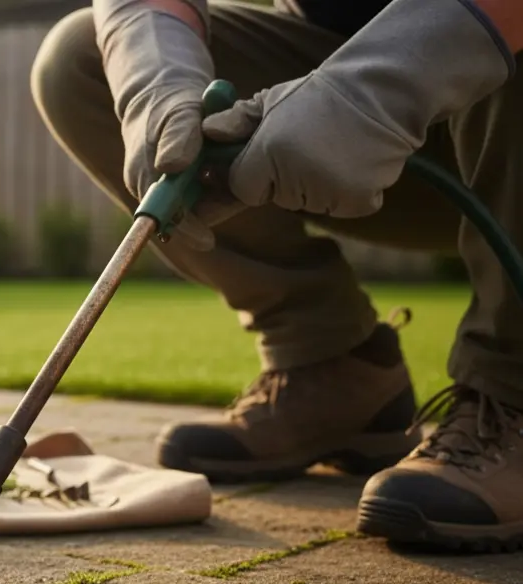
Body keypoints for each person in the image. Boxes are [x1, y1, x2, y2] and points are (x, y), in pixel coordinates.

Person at [30, 0, 523, 551]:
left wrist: (378, 86)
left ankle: (513, 391)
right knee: (81, 57)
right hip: (342, 111)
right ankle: (331, 368)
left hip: (492, 88)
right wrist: (153, 78)